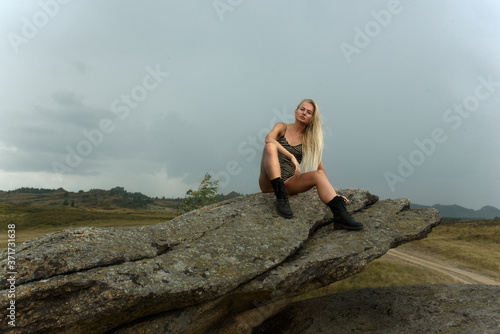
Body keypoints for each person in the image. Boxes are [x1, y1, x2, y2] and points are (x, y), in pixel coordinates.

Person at [258, 98, 363, 230]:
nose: (304, 113)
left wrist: (334, 193)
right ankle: (281, 198)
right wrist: (291, 156)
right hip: (269, 182)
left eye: (308, 112)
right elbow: (268, 139)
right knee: (270, 147)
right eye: (302, 109)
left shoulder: (308, 140)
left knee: (318, 174)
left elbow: (320, 168)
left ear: (311, 118)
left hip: (289, 183)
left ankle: (340, 216)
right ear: (296, 111)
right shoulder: (281, 126)